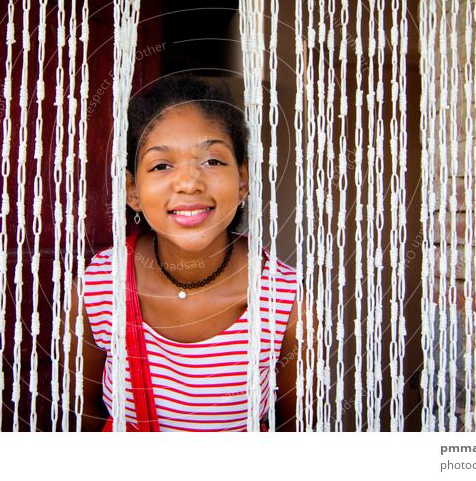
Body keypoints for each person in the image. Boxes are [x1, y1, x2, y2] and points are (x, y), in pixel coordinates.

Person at [68, 75, 305, 432]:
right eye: (161, 166)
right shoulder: (100, 287)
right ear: (133, 190)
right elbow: (82, 416)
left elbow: (297, 432)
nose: (190, 182)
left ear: (242, 179)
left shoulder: (283, 300)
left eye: (212, 161)